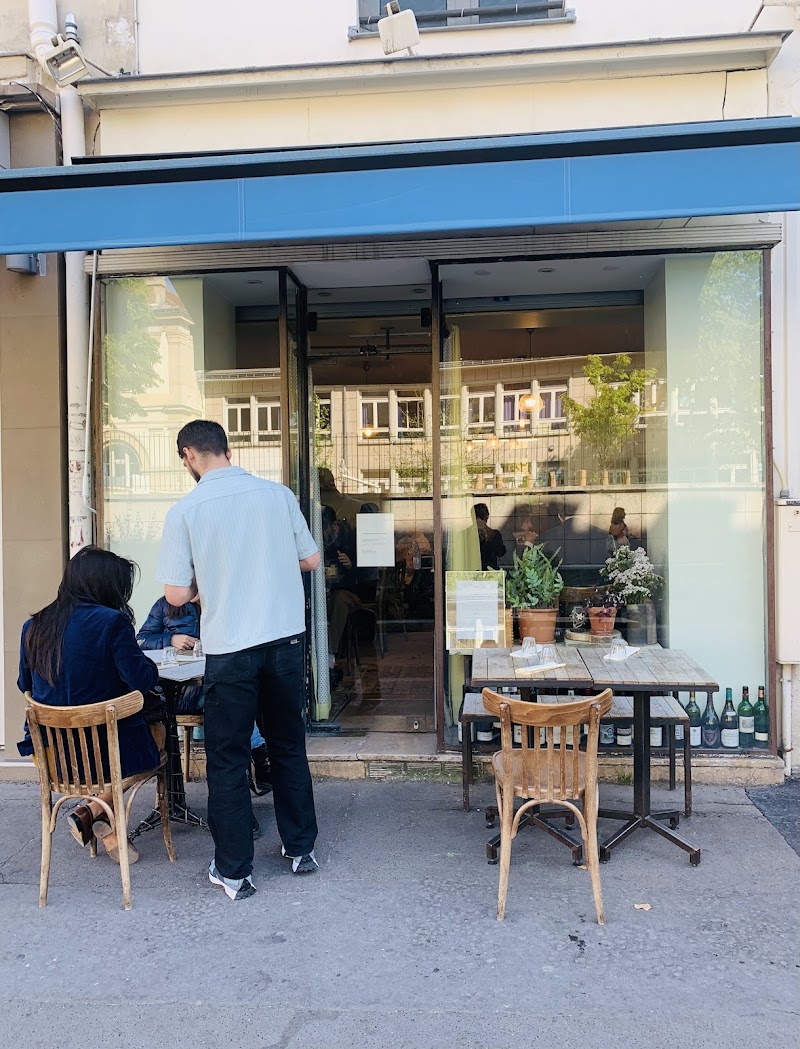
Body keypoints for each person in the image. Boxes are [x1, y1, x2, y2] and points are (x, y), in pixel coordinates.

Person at [156, 420, 321, 902]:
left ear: (189, 455)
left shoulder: (187, 509)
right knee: (288, 745)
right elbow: (310, 560)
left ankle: (234, 872)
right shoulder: (278, 495)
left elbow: (175, 594)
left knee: (226, 758)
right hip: (286, 641)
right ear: (229, 449)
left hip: (230, 649)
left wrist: (215, 577)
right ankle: (300, 849)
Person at [18, 546, 165, 866]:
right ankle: (94, 809)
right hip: (106, 748)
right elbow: (141, 679)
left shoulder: (34, 626)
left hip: (54, 754)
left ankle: (97, 818)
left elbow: (24, 685)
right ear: (106, 586)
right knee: (158, 734)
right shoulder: (111, 622)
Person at [136, 595, 272, 795]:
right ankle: (259, 755)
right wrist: (170, 639)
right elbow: (142, 639)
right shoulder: (166, 604)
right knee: (226, 699)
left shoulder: (222, 602)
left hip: (212, 685)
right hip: (178, 691)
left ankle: (247, 773)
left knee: (227, 697)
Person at [474, 503, 507, 570]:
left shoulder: (467, 535)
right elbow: (501, 553)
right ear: (487, 516)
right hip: (490, 571)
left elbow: (501, 552)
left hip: (474, 571)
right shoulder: (494, 534)